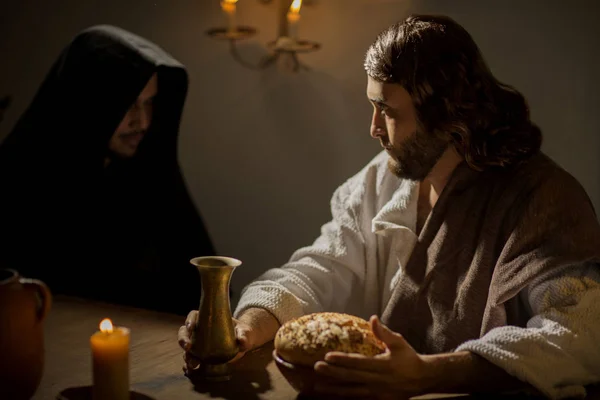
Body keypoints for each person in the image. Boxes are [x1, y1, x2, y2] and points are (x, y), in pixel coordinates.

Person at [179, 14, 600, 399]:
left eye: (387, 111)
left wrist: (431, 373)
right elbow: (322, 267)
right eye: (372, 106)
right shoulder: (384, 177)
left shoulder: (542, 198)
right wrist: (245, 328)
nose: (374, 128)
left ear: (446, 114)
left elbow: (577, 334)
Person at [0, 25, 215, 315]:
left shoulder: (146, 172)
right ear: (89, 102)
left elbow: (197, 280)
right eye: (129, 105)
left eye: (150, 103)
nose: (142, 122)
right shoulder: (21, 180)